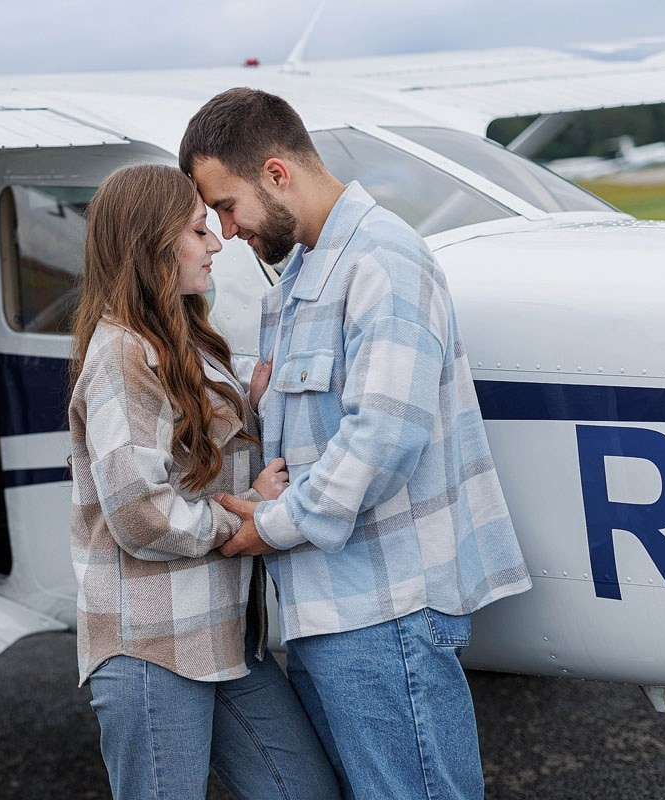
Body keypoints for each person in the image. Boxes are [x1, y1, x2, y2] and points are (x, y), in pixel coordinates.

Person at [179, 88, 534, 799]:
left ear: (277, 174)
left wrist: (266, 529)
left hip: (385, 611)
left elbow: (383, 439)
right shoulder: (308, 273)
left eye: (226, 205)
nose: (224, 229)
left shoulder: (382, 262)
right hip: (331, 610)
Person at [68, 163, 338, 800]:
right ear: (153, 245)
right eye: (197, 230)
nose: (217, 240)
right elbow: (142, 514)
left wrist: (255, 402)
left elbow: (197, 451)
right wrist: (241, 519)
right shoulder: (121, 354)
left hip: (222, 637)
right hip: (152, 648)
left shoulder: (187, 340)